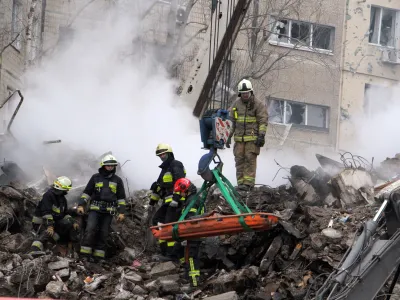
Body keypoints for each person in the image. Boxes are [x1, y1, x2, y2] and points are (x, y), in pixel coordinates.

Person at [77, 154, 126, 260]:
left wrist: (122, 212)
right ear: (103, 165)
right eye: (108, 165)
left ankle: (99, 257)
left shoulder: (118, 180)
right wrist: (81, 205)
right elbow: (87, 193)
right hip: (94, 210)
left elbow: (121, 199)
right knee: (90, 229)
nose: (110, 167)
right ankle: (85, 255)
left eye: (112, 165)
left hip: (108, 212)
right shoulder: (95, 177)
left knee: (104, 233)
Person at [227, 78, 268, 191]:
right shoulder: (236, 104)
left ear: (251, 92)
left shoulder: (258, 104)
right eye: (243, 93)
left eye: (247, 93)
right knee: (239, 160)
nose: (245, 95)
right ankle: (240, 184)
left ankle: (248, 184)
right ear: (240, 93)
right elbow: (232, 122)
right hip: (239, 139)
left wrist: (261, 135)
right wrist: (228, 137)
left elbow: (263, 121)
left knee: (250, 159)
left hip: (252, 139)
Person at [149, 143, 186, 258]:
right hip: (167, 201)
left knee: (169, 225)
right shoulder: (164, 170)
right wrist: (152, 202)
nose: (162, 156)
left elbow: (181, 181)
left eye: (163, 154)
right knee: (157, 221)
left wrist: (176, 198)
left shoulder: (176, 164)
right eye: (160, 155)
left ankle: (173, 254)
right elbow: (160, 187)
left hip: (176, 201)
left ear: (169, 153)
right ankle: (165, 252)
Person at [29, 176, 79, 256]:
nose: (68, 190)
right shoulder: (48, 196)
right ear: (61, 188)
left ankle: (68, 251)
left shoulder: (62, 199)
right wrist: (50, 226)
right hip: (41, 222)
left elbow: (64, 213)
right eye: (66, 188)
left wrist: (73, 222)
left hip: (53, 223)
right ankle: (34, 250)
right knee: (48, 233)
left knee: (58, 236)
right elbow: (46, 213)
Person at [172, 178, 202, 288]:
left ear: (185, 189)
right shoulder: (191, 199)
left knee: (191, 257)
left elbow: (191, 219)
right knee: (184, 253)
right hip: (192, 232)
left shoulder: (192, 200)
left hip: (194, 233)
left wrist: (185, 233)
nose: (180, 194)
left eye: (180, 192)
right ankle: (186, 275)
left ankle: (194, 283)